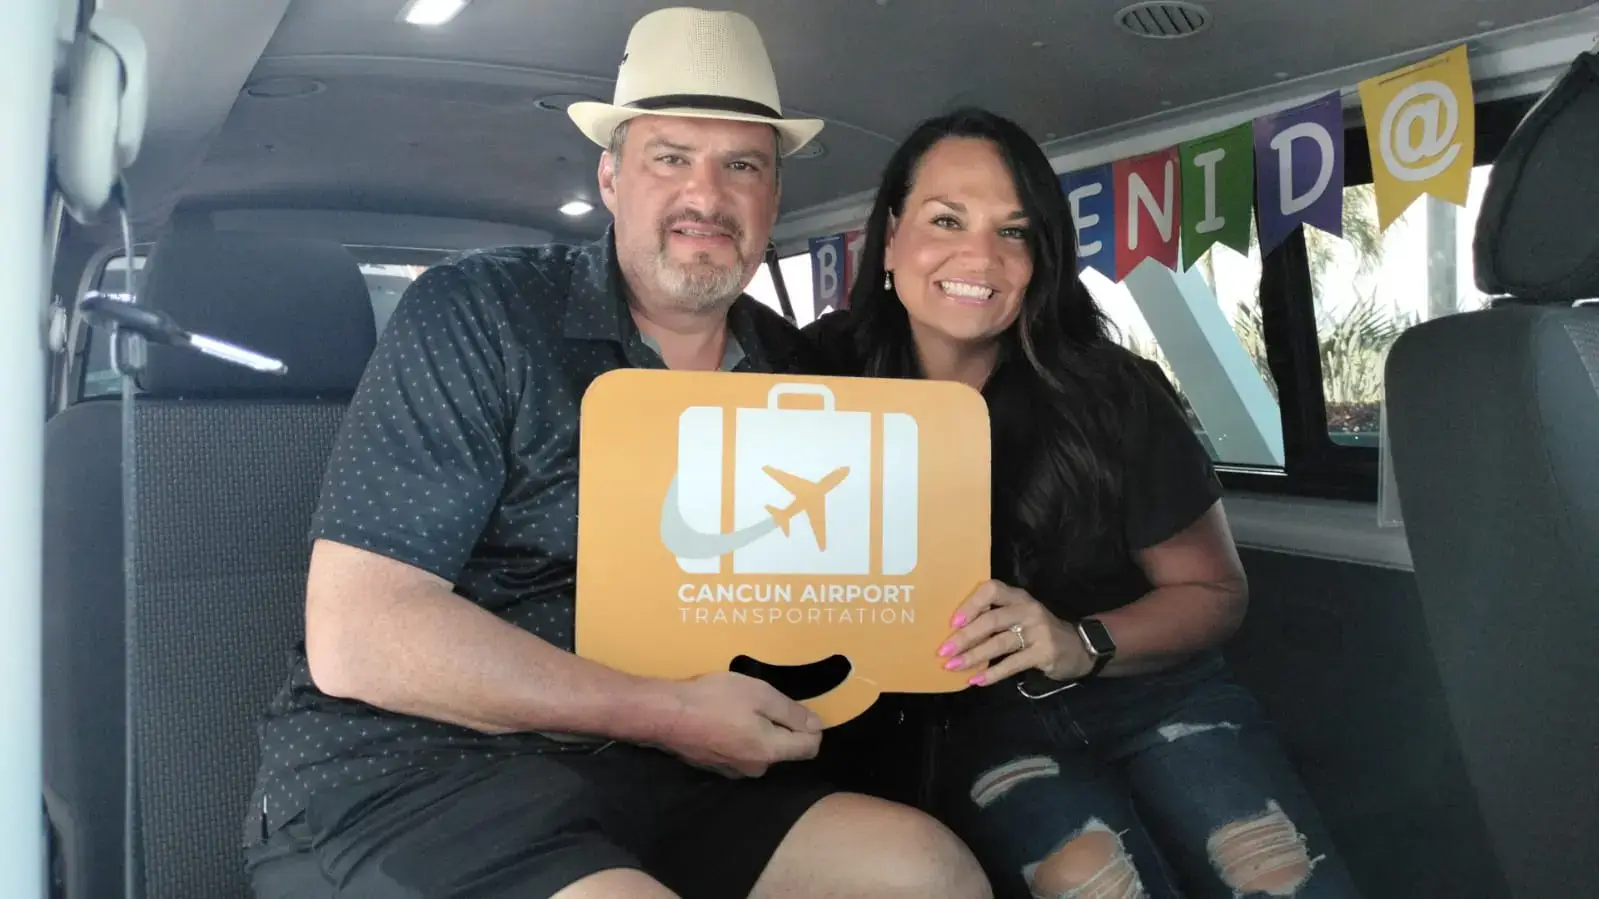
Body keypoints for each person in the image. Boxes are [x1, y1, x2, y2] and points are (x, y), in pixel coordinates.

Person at [239, 9, 992, 899]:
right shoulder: (480, 314)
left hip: (667, 777)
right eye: (670, 158)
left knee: (928, 871)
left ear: (772, 197)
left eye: (740, 165)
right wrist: (666, 712)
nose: (705, 195)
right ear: (610, 176)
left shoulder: (792, 372)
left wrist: (963, 613)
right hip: (420, 771)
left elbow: (845, 586)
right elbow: (361, 633)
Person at [803, 107, 1363, 899]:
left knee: (1271, 871)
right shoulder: (810, 374)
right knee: (1101, 884)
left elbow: (1212, 591)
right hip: (967, 725)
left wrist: (1078, 640)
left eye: (1014, 231)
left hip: (1149, 690)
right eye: (946, 219)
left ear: (1042, 258)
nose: (980, 255)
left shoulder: (1112, 391)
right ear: (891, 237)